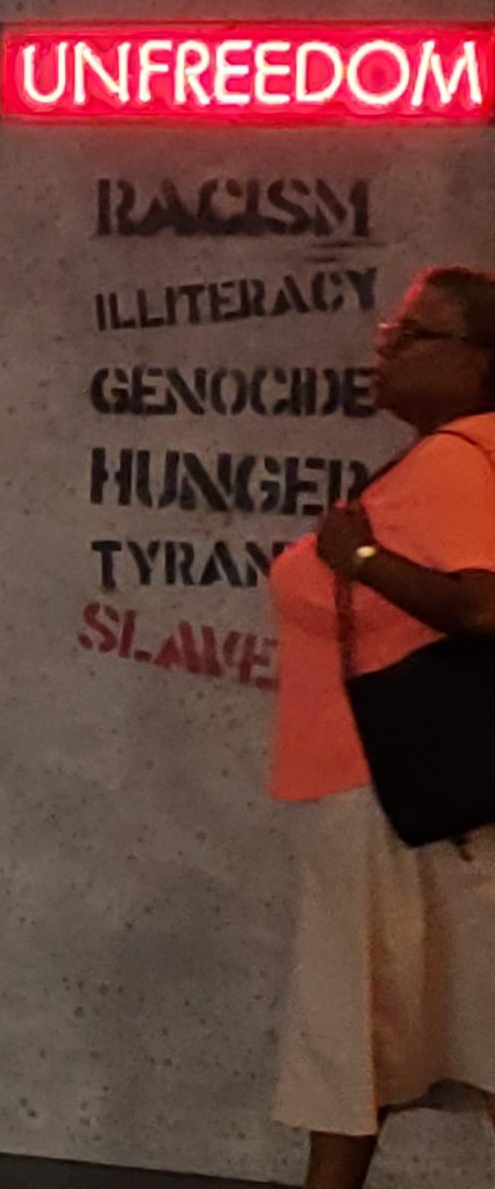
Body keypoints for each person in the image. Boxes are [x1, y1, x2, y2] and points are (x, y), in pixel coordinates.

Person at [268, 266, 495, 1189]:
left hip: (394, 794)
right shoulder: (457, 456)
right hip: (410, 794)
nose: (387, 348)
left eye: (414, 333)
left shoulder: (457, 457)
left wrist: (356, 554)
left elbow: (482, 606)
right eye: (390, 331)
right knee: (402, 1035)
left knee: (349, 1044)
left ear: (479, 362)